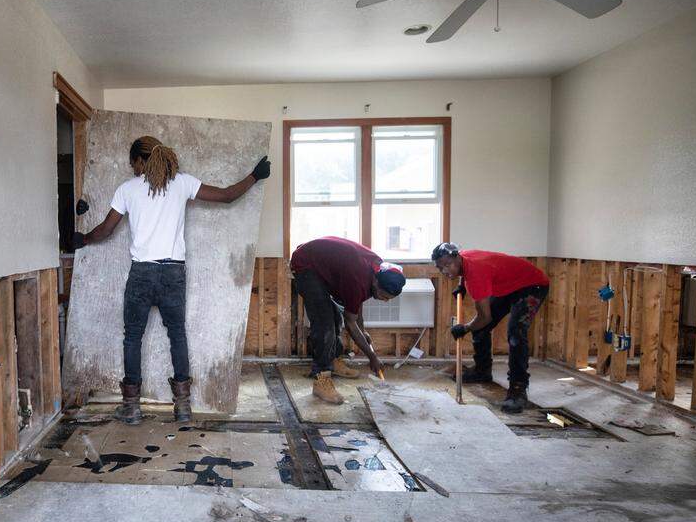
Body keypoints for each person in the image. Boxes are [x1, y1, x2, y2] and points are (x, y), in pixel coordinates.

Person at [74, 136, 270, 424]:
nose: (132, 170)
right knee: (177, 335)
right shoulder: (182, 183)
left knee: (132, 337)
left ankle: (131, 408)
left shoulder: (128, 189)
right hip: (173, 273)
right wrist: (255, 176)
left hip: (142, 273)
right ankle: (182, 407)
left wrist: (83, 239)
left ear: (140, 161)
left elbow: (105, 230)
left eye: (133, 164)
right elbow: (227, 196)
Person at [431, 242, 549, 414]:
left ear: (457, 257)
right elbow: (466, 271)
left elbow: (485, 317)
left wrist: (465, 328)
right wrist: (462, 285)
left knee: (515, 334)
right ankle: (482, 370)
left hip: (532, 285)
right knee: (480, 328)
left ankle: (518, 389)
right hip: (509, 285)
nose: (445, 272)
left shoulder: (476, 276)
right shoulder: (463, 257)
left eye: (448, 265)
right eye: (441, 268)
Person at [289, 236, 405, 404]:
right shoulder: (358, 278)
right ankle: (321, 380)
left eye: (389, 298)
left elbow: (356, 305)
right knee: (324, 324)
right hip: (306, 265)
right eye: (383, 295)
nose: (384, 300)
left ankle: (333, 360)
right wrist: (371, 356)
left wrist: (363, 330)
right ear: (375, 282)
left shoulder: (377, 269)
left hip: (322, 264)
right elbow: (351, 321)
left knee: (335, 316)